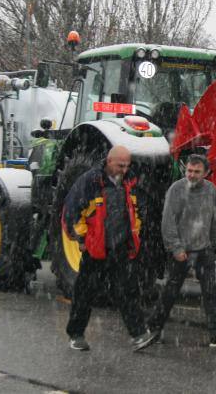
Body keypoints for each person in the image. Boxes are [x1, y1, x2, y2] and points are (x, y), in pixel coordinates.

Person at [63, 145, 157, 352]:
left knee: (128, 291)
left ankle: (139, 334)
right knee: (85, 293)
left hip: (121, 247)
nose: (124, 169)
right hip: (96, 249)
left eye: (127, 165)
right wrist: (82, 239)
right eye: (120, 165)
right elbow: (71, 211)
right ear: (109, 161)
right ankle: (76, 334)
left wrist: (134, 237)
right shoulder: (89, 181)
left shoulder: (130, 183)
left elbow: (137, 212)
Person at [149, 153, 216, 348]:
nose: (192, 175)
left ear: (206, 173)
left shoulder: (211, 190)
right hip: (182, 251)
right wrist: (176, 248)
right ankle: (152, 328)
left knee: (211, 293)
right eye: (189, 170)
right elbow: (168, 222)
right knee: (170, 292)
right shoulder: (176, 190)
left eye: (197, 171)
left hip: (205, 250)